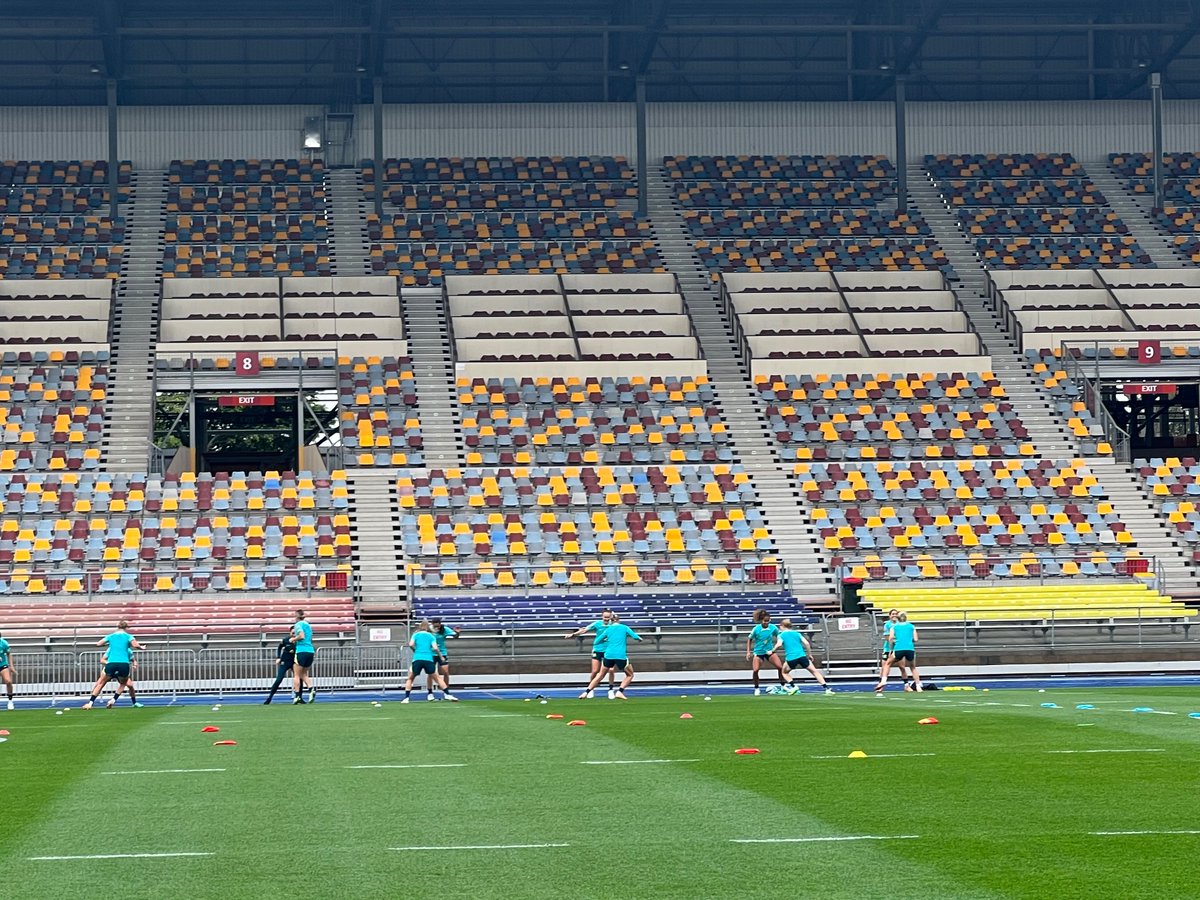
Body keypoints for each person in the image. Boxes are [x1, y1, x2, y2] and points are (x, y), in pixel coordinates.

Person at [81, 620, 144, 710]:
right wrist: (141, 647)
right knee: (123, 683)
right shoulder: (128, 636)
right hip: (123, 664)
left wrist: (109, 643)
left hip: (111, 664)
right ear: (126, 628)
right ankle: (113, 700)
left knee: (101, 683)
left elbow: (98, 644)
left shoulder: (111, 636)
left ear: (117, 627)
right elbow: (135, 645)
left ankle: (90, 703)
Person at [581, 617, 641, 700]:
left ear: (611, 621)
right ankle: (620, 691)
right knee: (630, 674)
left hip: (608, 655)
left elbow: (597, 641)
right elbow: (635, 637)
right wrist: (639, 639)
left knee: (600, 675)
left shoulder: (608, 629)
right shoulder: (624, 627)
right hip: (620, 655)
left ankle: (586, 692)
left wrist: (607, 639)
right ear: (619, 620)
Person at [402, 620, 457, 703]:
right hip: (428, 658)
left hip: (417, 658)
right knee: (437, 678)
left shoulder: (416, 634)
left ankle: (406, 698)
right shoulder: (431, 636)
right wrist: (441, 656)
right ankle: (447, 694)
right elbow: (435, 648)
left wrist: (415, 650)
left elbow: (410, 644)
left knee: (410, 678)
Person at [566, 609, 617, 699]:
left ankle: (611, 689)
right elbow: (584, 630)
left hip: (609, 650)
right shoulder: (597, 624)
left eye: (608, 617)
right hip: (598, 649)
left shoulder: (614, 625)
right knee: (595, 671)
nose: (606, 619)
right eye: (605, 617)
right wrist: (573, 634)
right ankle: (591, 689)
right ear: (602, 616)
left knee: (611, 670)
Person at [776, 619, 833, 694]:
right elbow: (806, 643)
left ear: (782, 626)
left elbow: (779, 644)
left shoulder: (781, 635)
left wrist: (772, 650)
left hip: (791, 657)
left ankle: (793, 686)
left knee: (784, 673)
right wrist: (809, 654)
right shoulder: (797, 633)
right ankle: (826, 688)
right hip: (802, 656)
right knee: (814, 671)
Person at [876, 612, 922, 693]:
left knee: (888, 664)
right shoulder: (911, 626)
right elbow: (915, 639)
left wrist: (891, 649)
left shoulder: (894, 627)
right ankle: (918, 686)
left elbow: (890, 638)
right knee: (913, 667)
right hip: (910, 649)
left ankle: (883, 681)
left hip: (898, 648)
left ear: (898, 618)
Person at [746, 608, 786, 696]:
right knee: (755, 670)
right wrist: (748, 652)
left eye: (768, 621)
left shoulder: (773, 627)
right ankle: (756, 688)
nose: (766, 622)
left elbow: (778, 635)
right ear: (761, 620)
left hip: (769, 651)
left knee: (780, 667)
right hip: (759, 652)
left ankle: (783, 686)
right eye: (765, 621)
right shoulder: (756, 629)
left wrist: (780, 641)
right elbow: (749, 639)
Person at [427, 618, 460, 701]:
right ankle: (430, 693)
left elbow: (455, 636)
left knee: (445, 672)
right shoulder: (429, 629)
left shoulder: (444, 629)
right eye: (435, 626)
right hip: (431, 653)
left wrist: (457, 633)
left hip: (442, 653)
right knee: (431, 673)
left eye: (438, 625)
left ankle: (446, 692)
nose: (436, 627)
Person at [290, 609, 316, 705]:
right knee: (304, 674)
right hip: (310, 650)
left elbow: (301, 636)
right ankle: (311, 689)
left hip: (301, 650)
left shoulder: (298, 625)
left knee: (296, 674)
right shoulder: (308, 625)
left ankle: (297, 695)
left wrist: (293, 639)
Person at [264, 632, 296, 705]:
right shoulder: (285, 640)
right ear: (290, 632)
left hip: (294, 662)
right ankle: (270, 697)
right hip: (284, 662)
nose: (294, 634)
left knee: (298, 679)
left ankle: (299, 697)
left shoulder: (299, 641)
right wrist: (278, 657)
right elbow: (279, 647)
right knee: (279, 679)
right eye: (293, 632)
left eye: (295, 632)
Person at [0, 630, 15, 710]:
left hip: (2, 665)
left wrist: (11, 666)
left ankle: (10, 701)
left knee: (8, 681)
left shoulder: (3, 643)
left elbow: (9, 653)